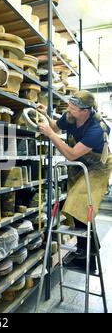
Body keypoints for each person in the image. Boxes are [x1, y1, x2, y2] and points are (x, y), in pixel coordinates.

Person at [37, 90, 112, 272]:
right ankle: (87, 255)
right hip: (81, 165)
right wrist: (46, 114)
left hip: (98, 168)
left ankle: (84, 255)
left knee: (77, 204)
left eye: (73, 107)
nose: (68, 110)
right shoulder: (71, 116)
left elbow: (70, 154)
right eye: (69, 106)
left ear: (85, 111)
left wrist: (51, 136)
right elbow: (56, 126)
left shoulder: (96, 128)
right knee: (82, 210)